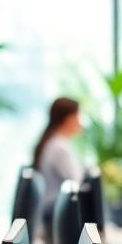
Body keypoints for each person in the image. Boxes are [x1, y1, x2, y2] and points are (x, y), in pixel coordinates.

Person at [33, 96, 84, 225]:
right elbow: (76, 181)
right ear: (68, 119)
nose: (80, 122)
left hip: (50, 212)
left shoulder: (52, 142)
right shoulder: (60, 148)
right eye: (78, 116)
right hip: (56, 214)